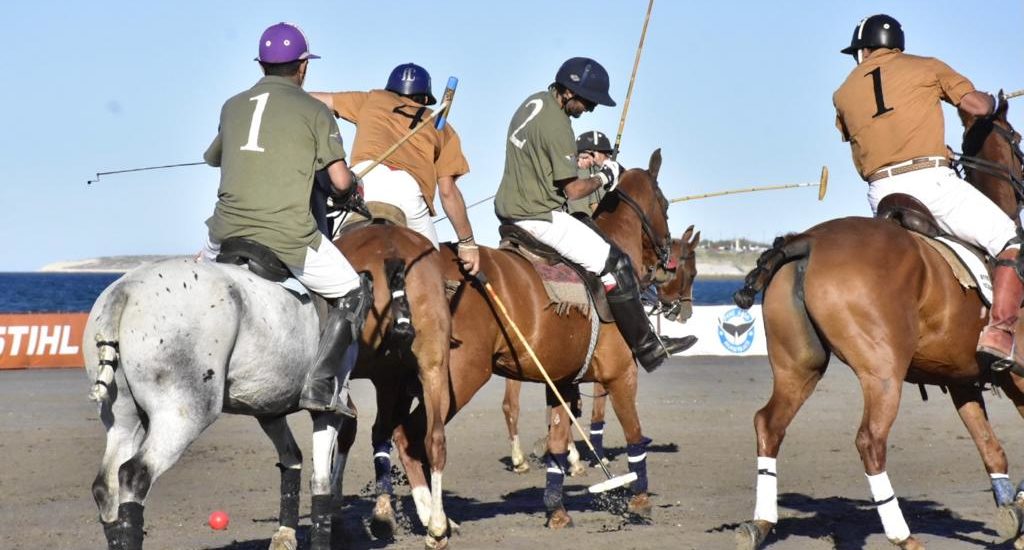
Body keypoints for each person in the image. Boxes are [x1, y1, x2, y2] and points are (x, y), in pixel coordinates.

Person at [832, 14, 1022, 372]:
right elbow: (977, 107)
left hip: (880, 192)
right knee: (1011, 241)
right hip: (930, 184)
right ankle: (999, 333)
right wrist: (991, 102)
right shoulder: (926, 67)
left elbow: (873, 131)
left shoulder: (842, 93)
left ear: (864, 50)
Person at [200, 22, 372, 416]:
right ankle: (322, 383)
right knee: (354, 290)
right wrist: (352, 190)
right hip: (287, 236)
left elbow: (215, 158)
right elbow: (340, 180)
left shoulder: (232, 105)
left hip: (223, 231)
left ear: (261, 64)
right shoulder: (315, 110)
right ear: (303, 67)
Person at [493, 57, 695, 373]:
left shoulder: (533, 102)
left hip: (509, 209)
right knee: (616, 262)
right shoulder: (559, 125)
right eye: (589, 101)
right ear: (571, 91)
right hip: (537, 215)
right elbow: (573, 191)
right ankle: (649, 347)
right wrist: (606, 177)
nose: (591, 109)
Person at [309, 63, 480, 274]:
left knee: (331, 265)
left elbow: (316, 99)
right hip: (408, 193)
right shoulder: (441, 126)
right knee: (434, 274)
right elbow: (448, 192)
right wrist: (467, 242)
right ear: (426, 99)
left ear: (390, 89)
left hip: (364, 184)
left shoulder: (373, 99)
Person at [568, 130, 614, 215]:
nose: (607, 158)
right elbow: (595, 205)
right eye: (606, 154)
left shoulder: (571, 168)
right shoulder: (598, 173)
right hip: (585, 224)